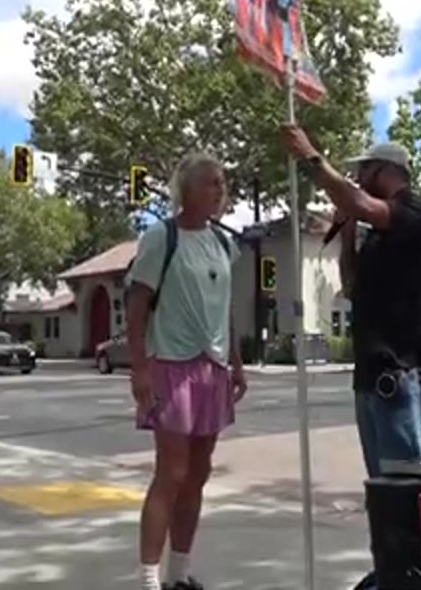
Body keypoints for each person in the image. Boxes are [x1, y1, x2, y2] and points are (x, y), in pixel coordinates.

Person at [279, 124, 421, 478]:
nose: (358, 178)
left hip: (404, 376)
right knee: (382, 490)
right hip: (372, 377)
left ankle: (407, 536)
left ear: (386, 171)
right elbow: (351, 285)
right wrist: (346, 234)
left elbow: (357, 201)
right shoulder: (378, 235)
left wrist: (311, 157)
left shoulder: (418, 211)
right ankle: (386, 536)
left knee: (406, 487)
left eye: (364, 170)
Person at [125, 151, 248, 590]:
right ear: (187, 189)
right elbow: (136, 306)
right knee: (171, 473)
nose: (220, 190)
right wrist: (138, 368)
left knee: (198, 473)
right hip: (171, 366)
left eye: (223, 182)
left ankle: (180, 574)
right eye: (212, 182)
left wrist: (236, 364)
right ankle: (149, 579)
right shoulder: (162, 237)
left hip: (212, 369)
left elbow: (226, 310)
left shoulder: (222, 243)